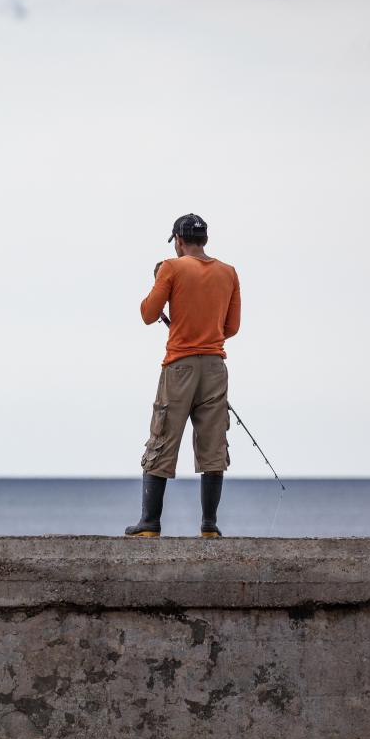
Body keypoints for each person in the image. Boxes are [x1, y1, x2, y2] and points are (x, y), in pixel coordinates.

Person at [126, 213, 242, 539]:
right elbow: (231, 328)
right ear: (204, 239)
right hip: (216, 367)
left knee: (162, 438)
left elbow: (149, 314)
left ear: (178, 240)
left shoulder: (171, 267)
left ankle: (149, 523)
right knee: (213, 444)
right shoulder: (228, 273)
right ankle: (209, 526)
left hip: (180, 366)